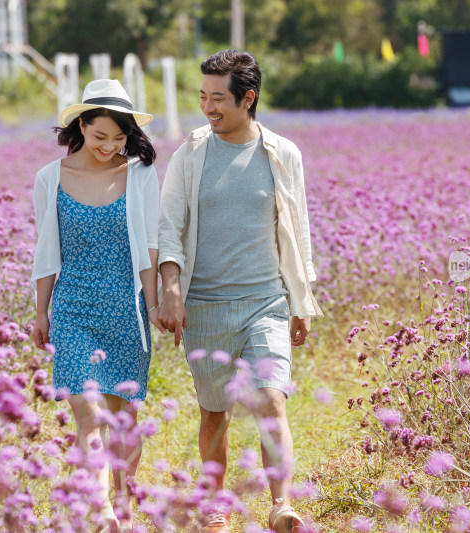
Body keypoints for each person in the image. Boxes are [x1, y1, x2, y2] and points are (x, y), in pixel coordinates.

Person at [157, 50, 322, 533]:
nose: (208, 107)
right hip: (205, 304)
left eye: (218, 99)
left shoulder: (282, 153)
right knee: (215, 412)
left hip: (265, 302)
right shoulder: (189, 154)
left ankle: (281, 504)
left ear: (248, 98)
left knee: (272, 397)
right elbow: (170, 227)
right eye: (203, 97)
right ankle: (215, 504)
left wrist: (301, 298)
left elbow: (299, 227)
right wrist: (171, 291)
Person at [31, 79, 161, 533]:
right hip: (73, 309)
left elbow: (150, 247)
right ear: (81, 124)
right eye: (100, 135)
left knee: (124, 417)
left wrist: (156, 303)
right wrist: (40, 310)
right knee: (88, 414)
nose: (109, 146)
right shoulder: (50, 177)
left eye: (119, 138)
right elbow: (47, 251)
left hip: (126, 309)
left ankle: (123, 504)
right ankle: (102, 508)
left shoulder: (141, 173)